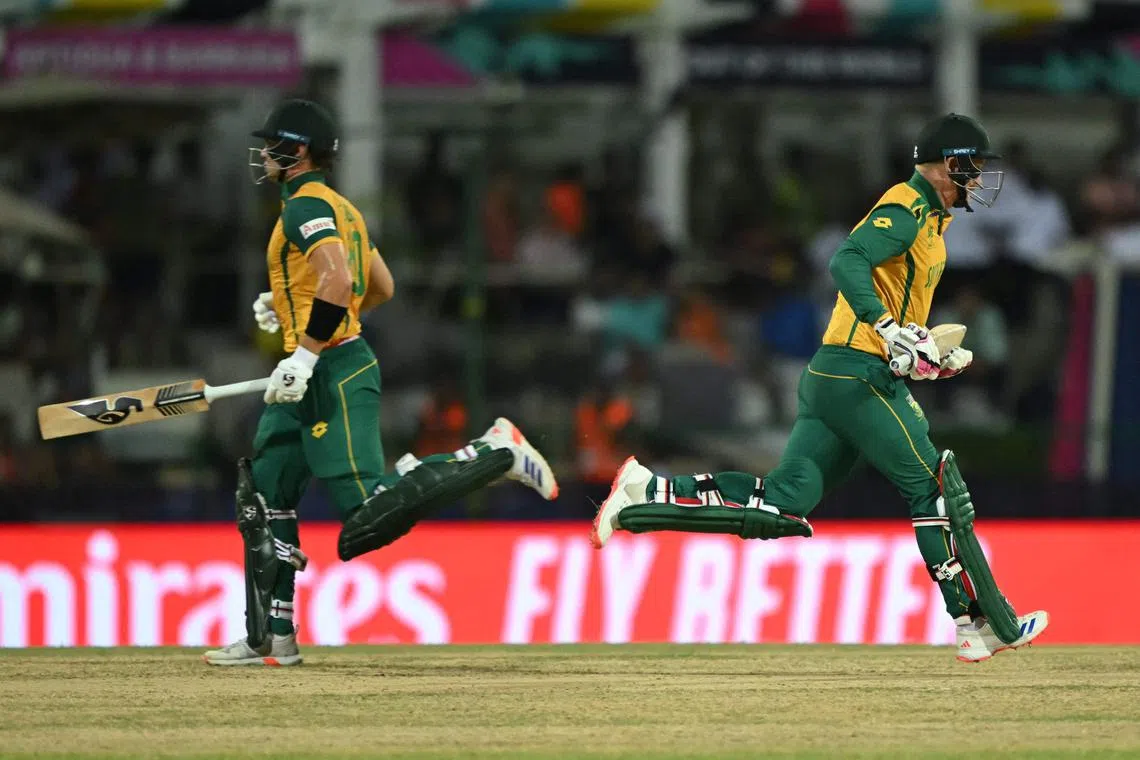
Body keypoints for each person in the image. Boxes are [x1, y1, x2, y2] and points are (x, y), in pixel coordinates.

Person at [589, 114, 1048, 663]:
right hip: (856, 373)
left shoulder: (929, 221)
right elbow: (846, 259)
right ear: (950, 163)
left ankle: (646, 494)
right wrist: (887, 329)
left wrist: (926, 355)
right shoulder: (906, 207)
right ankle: (978, 622)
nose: (979, 179)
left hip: (843, 373)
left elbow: (894, 305)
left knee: (783, 506)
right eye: (973, 166)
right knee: (935, 489)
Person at [204, 100, 557, 666]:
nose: (263, 154)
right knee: (265, 496)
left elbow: (341, 281)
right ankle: (270, 637)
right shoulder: (342, 208)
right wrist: (294, 302)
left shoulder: (303, 208)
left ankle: (493, 452)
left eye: (272, 144)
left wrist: (309, 352)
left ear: (295, 152)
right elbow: (380, 286)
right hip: (315, 366)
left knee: (367, 517)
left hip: (334, 370)